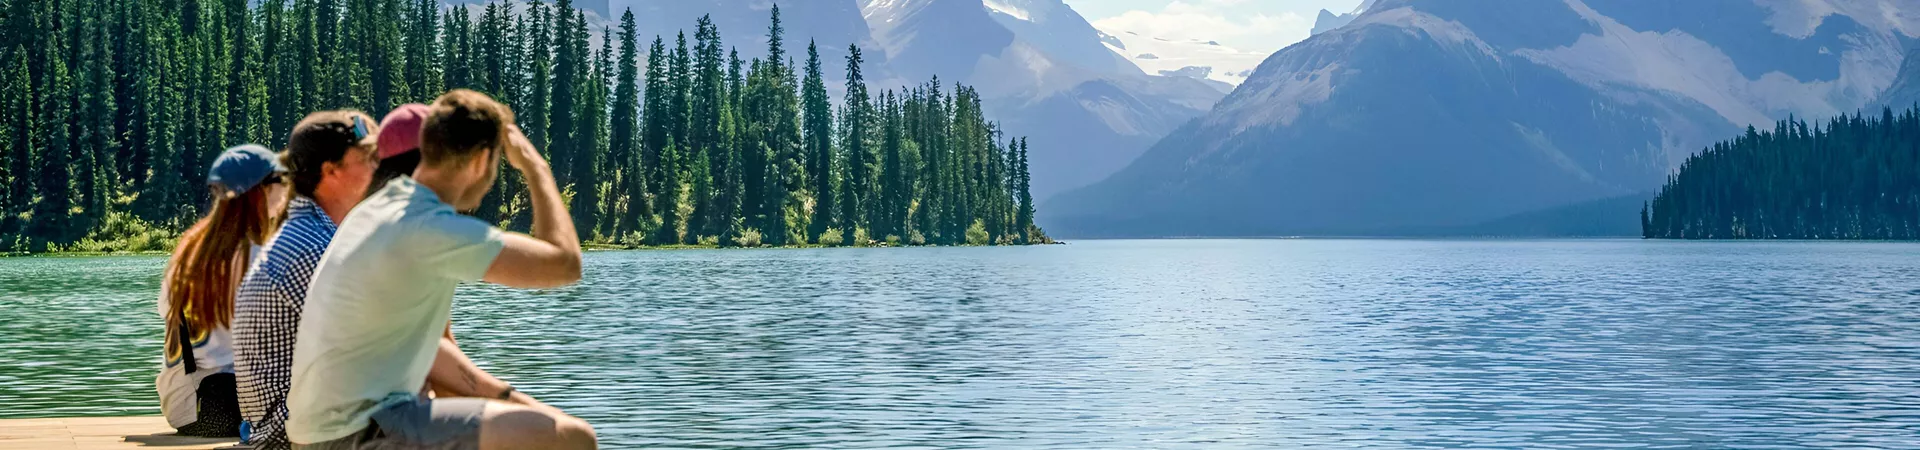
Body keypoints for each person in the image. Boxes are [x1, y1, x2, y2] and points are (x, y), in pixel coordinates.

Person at [286, 90, 595, 450]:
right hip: (358, 433)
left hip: (324, 432)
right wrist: (534, 165)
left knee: (551, 429)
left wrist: (516, 402)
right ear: (482, 161)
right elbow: (564, 264)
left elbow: (436, 355)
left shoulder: (379, 207)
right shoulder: (428, 227)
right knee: (570, 439)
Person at [234, 111, 380, 450]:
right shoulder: (316, 250)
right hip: (291, 435)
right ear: (331, 171)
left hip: (288, 425)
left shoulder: (308, 235)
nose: (378, 168)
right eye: (369, 158)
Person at [158, 144, 288, 438]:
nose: (286, 189)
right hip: (224, 407)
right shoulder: (258, 255)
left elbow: (164, 311)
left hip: (182, 405)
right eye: (279, 180)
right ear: (259, 190)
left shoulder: (189, 249)